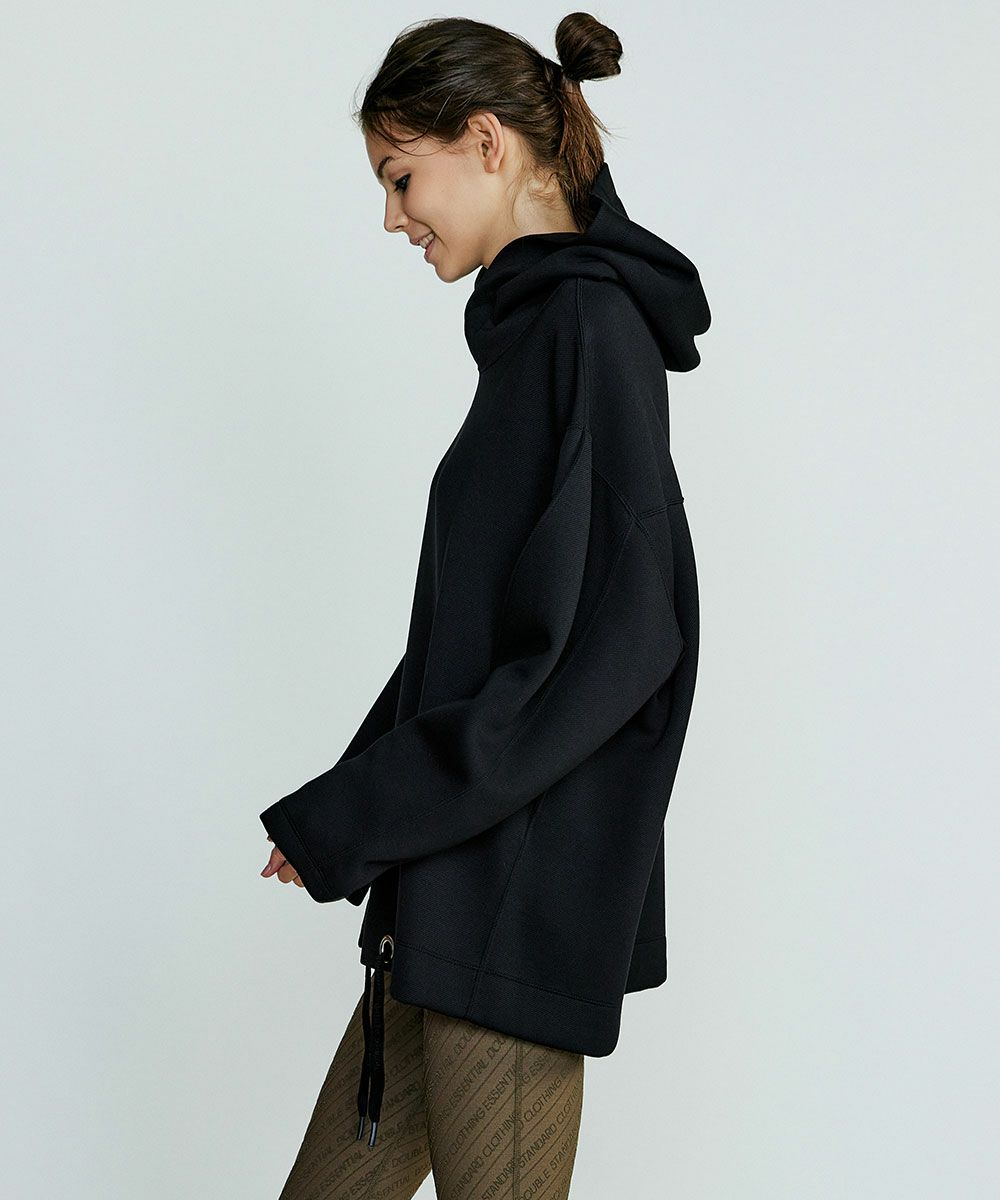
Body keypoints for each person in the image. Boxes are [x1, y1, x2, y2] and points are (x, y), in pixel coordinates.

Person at [259, 12, 711, 1198]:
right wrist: (350, 810)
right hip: (451, 892)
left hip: (516, 895)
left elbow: (608, 650)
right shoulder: (541, 335)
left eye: (400, 176)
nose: (392, 216)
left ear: (486, 142)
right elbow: (472, 647)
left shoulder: (585, 329)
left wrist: (360, 809)